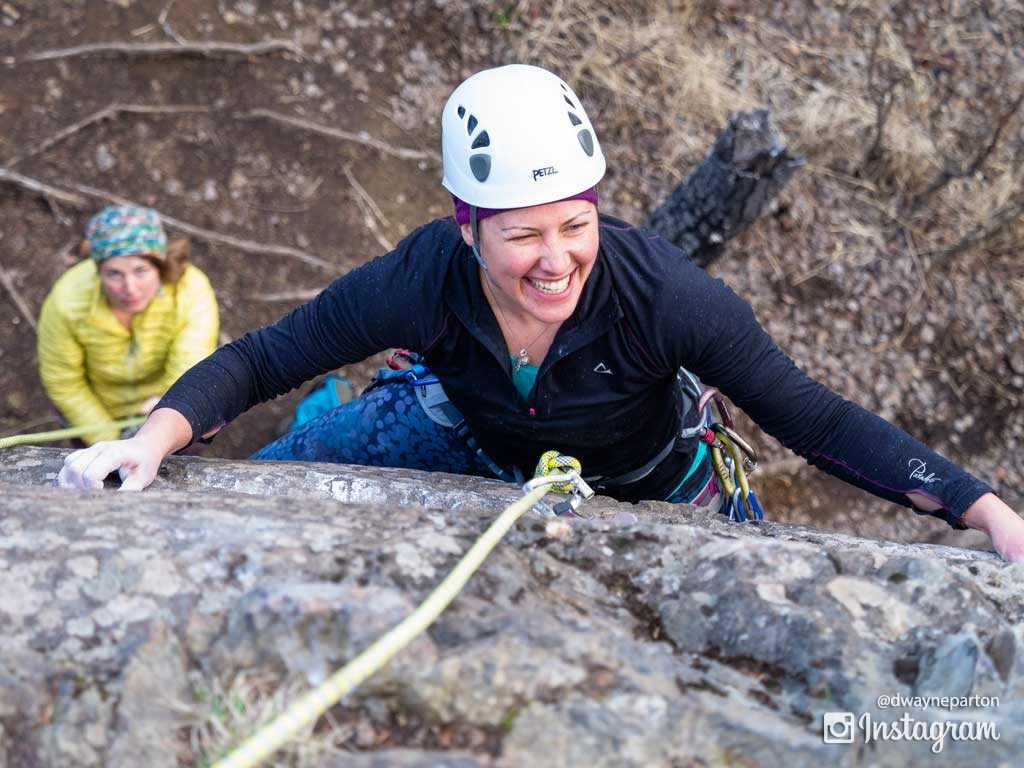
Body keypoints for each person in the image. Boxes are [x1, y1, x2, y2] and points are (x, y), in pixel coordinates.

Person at [56, 65, 1024, 561]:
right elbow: (273, 354)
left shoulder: (663, 298)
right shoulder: (424, 277)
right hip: (468, 430)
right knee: (283, 465)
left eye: (576, 222)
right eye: (524, 235)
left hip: (650, 473)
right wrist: (152, 443)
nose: (556, 258)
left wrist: (983, 509)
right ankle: (341, 419)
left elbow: (813, 417)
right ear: (465, 227)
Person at [38, 204, 219, 444]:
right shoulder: (67, 301)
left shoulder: (190, 291)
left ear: (160, 266)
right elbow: (64, 380)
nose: (130, 288)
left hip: (165, 403)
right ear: (97, 271)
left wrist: (167, 416)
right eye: (114, 274)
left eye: (141, 271)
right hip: (97, 410)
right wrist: (107, 440)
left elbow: (190, 363)